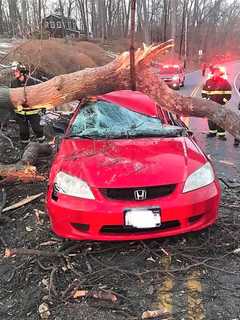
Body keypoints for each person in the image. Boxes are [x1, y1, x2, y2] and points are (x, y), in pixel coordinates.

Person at [10, 61, 45, 144]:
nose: (14, 73)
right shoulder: (13, 83)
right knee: (23, 132)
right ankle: (25, 145)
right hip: (20, 114)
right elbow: (12, 97)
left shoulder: (33, 82)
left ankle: (42, 144)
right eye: (14, 71)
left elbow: (43, 94)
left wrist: (43, 109)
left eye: (16, 71)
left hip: (33, 112)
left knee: (37, 129)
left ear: (22, 71)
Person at [201, 67, 232, 141]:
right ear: (213, 73)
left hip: (220, 105)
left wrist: (223, 101)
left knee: (221, 119)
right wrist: (206, 100)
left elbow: (228, 93)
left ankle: (221, 135)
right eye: (215, 72)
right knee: (211, 119)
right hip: (210, 105)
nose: (216, 74)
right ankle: (212, 132)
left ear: (220, 73)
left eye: (218, 72)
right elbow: (204, 92)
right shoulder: (208, 82)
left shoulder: (225, 82)